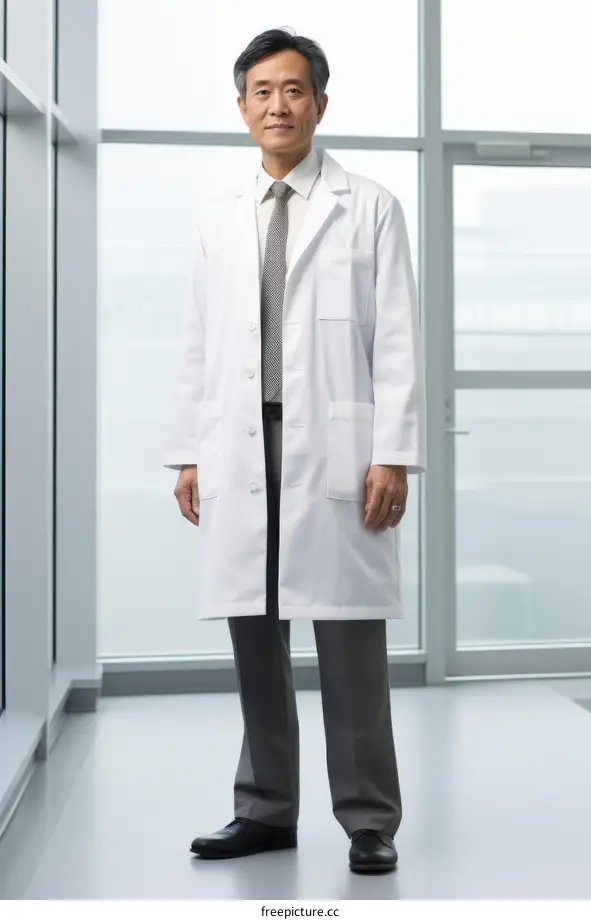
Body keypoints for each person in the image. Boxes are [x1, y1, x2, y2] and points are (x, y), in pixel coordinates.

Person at [163, 28, 426, 874]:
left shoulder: (371, 205)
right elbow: (201, 345)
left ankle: (368, 820)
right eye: (262, 91)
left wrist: (394, 454)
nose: (278, 105)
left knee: (350, 640)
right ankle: (267, 810)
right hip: (242, 445)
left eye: (294, 90)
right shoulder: (220, 219)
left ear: (320, 102)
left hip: (340, 450)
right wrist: (190, 452)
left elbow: (397, 342)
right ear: (242, 107)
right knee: (255, 633)